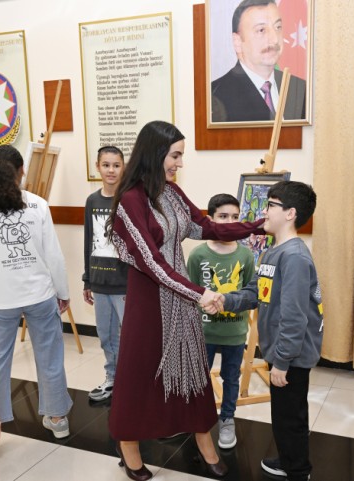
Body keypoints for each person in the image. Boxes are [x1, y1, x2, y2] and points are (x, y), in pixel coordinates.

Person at [105, 120, 265, 480]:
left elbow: (208, 227)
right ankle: (128, 446)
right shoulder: (131, 200)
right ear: (156, 153)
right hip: (149, 302)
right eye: (175, 155)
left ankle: (205, 444)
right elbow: (152, 263)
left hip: (180, 297)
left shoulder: (171, 192)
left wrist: (255, 225)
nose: (180, 163)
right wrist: (201, 292)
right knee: (139, 375)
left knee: (192, 370)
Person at [205, 181, 322, 481]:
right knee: (283, 414)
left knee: (291, 416)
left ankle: (298, 471)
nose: (264, 211)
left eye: (271, 205)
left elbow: (294, 317)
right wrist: (225, 300)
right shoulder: (274, 252)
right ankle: (288, 459)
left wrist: (282, 361)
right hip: (281, 351)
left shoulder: (294, 257)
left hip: (291, 355)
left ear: (290, 214)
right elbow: (256, 292)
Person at [0, 146, 72, 440]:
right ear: (22, 171)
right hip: (40, 296)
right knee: (49, 357)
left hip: (1, 300)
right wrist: (63, 292)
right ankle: (58, 419)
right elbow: (53, 256)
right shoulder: (38, 205)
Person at [186, 193, 255, 449]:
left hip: (234, 333)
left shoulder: (246, 255)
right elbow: (189, 292)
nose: (229, 222)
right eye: (223, 216)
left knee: (231, 378)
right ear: (211, 219)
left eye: (235, 217)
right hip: (204, 333)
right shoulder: (198, 255)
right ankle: (195, 417)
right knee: (198, 378)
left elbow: (250, 294)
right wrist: (205, 303)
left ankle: (227, 418)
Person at [82, 146, 128, 402]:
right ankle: (113, 378)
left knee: (131, 337)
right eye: (106, 165)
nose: (111, 170)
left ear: (123, 168)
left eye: (116, 165)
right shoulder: (92, 201)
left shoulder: (129, 199)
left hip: (125, 284)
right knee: (106, 336)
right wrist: (87, 279)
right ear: (97, 167)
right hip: (100, 282)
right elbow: (89, 240)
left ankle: (133, 382)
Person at [211, 0, 306, 122]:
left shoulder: (300, 88)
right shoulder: (215, 96)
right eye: (261, 30)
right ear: (237, 41)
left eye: (278, 27)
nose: (274, 39)